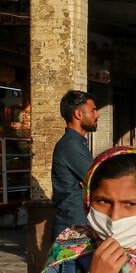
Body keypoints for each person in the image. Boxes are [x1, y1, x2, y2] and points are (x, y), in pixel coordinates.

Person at [51, 90, 98, 237]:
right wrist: (91, 182)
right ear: (78, 114)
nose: (97, 115)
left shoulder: (77, 143)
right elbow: (98, 179)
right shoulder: (72, 145)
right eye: (93, 110)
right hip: (73, 229)